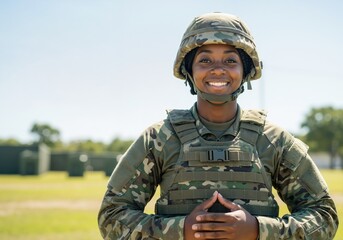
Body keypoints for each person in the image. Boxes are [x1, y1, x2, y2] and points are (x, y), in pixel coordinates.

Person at [98, 12, 338, 239]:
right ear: (188, 70)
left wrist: (258, 230)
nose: (218, 69)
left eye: (230, 60)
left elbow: (324, 215)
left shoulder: (272, 140)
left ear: (245, 70)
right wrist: (180, 231)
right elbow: (112, 215)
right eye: (205, 60)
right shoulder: (160, 138)